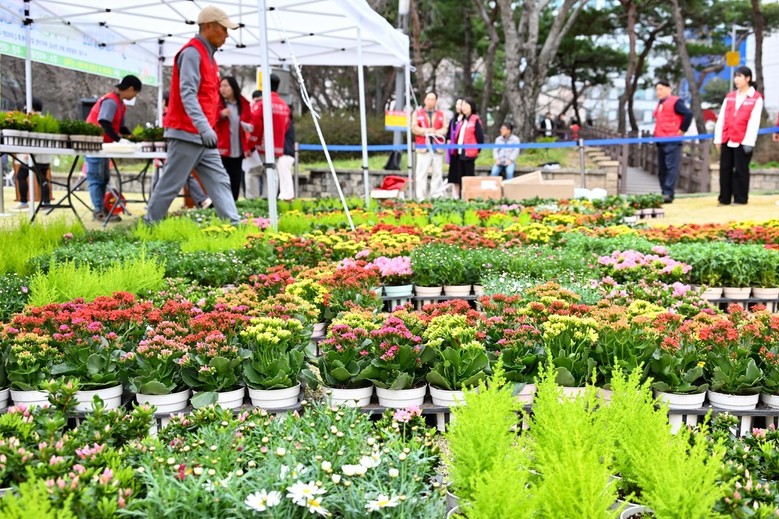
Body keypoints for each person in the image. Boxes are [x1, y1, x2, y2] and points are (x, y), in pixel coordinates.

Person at [144, 5, 240, 225]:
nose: (227, 35)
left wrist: (207, 129)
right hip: (187, 132)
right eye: (224, 29)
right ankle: (149, 226)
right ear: (209, 26)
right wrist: (204, 127)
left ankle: (233, 226)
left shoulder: (209, 57)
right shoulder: (192, 53)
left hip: (203, 135)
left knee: (220, 180)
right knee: (171, 184)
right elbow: (187, 94)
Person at [85, 75, 142, 221]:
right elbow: (104, 122)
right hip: (95, 144)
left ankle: (102, 208)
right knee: (96, 178)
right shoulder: (111, 101)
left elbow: (121, 127)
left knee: (104, 178)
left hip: (104, 146)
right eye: (136, 93)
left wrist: (132, 137)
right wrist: (119, 140)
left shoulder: (120, 104)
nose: (135, 96)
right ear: (130, 89)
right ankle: (98, 211)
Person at [152, 92, 211, 209]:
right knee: (181, 176)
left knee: (175, 177)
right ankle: (202, 200)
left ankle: (154, 204)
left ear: (165, 102)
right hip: (171, 152)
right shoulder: (171, 116)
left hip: (170, 152)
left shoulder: (167, 117)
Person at [713, 66, 763, 206]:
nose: (736, 79)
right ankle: (724, 199)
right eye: (735, 76)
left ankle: (740, 199)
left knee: (741, 170)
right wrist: (718, 138)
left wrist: (749, 142)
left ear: (748, 78)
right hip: (728, 138)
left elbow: (754, 122)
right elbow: (721, 118)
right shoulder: (730, 97)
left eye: (739, 76)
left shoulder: (755, 98)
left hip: (743, 140)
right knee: (725, 169)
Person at [249, 74, 291, 201]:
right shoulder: (284, 106)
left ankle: (253, 203)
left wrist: (250, 145)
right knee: (271, 174)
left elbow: (255, 125)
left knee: (253, 173)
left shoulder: (262, 104)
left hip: (260, 146)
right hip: (277, 147)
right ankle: (270, 202)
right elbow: (286, 126)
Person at [653, 80, 693, 204]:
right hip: (660, 139)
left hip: (672, 139)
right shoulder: (660, 103)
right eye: (657, 89)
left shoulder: (676, 102)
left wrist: (682, 130)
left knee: (671, 167)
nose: (658, 92)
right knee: (662, 169)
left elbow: (688, 114)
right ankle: (663, 191)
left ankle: (668, 193)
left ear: (668, 89)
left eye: (661, 89)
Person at [215, 76, 252, 201]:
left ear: (233, 87)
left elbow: (250, 121)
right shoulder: (218, 104)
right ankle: (221, 203)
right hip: (222, 148)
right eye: (221, 86)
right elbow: (210, 119)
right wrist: (221, 114)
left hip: (238, 149)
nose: (222, 89)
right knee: (222, 178)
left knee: (235, 178)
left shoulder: (244, 104)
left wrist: (248, 127)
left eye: (226, 86)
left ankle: (233, 203)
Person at [12, 97, 51, 211]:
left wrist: (29, 152)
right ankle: (47, 203)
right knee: (42, 179)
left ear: (31, 106)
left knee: (21, 176)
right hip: (44, 157)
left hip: (32, 156)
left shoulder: (32, 120)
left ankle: (24, 202)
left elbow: (34, 138)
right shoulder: (45, 120)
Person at [411, 91, 447, 200]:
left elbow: (445, 128)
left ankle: (436, 196)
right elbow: (414, 128)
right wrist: (426, 131)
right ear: (425, 100)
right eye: (429, 99)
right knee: (421, 173)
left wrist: (436, 132)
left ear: (436, 101)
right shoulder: (417, 113)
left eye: (433, 99)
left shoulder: (441, 114)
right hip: (423, 148)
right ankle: (420, 197)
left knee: (437, 173)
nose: (430, 101)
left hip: (437, 148)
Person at [451, 97, 484, 198]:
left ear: (471, 107)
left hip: (469, 153)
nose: (464, 107)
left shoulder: (475, 120)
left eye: (466, 105)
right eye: (463, 105)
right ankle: (462, 197)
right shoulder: (462, 120)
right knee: (460, 177)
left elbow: (480, 138)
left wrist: (476, 150)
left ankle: (471, 197)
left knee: (469, 176)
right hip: (460, 152)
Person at [445, 98, 464, 196]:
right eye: (457, 104)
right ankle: (455, 194)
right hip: (453, 151)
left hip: (463, 151)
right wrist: (448, 140)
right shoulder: (453, 120)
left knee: (462, 173)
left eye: (460, 104)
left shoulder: (466, 120)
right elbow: (448, 134)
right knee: (454, 175)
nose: (458, 106)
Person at [279, 110, 296, 201]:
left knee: (285, 174)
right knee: (283, 174)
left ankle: (288, 194)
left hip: (286, 152)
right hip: (287, 153)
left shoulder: (287, 123)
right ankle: (285, 193)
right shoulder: (290, 123)